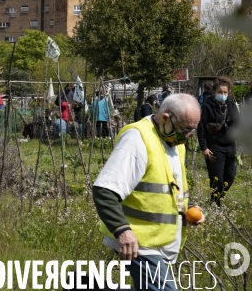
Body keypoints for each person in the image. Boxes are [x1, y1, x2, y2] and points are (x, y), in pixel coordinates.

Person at [93, 94, 204, 291]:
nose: (186, 136)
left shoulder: (175, 144)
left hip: (162, 242)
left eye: (191, 131)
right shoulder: (137, 139)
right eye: (184, 129)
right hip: (139, 244)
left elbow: (167, 187)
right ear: (165, 118)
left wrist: (185, 211)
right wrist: (122, 230)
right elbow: (105, 189)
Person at [197, 76, 239, 206]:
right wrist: (204, 147)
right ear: (214, 92)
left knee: (230, 177)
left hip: (230, 147)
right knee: (217, 178)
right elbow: (201, 129)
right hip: (214, 147)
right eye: (220, 92)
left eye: (225, 92)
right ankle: (215, 203)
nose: (223, 95)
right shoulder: (207, 106)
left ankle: (220, 198)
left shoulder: (231, 105)